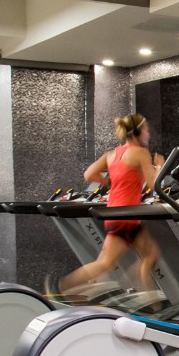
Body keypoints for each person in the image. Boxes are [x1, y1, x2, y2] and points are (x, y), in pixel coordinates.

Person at [60, 113, 162, 302]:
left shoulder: (112, 154)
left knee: (151, 253)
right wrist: (159, 167)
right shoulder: (140, 153)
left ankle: (150, 299)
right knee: (106, 263)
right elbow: (152, 185)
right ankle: (65, 287)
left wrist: (109, 182)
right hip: (126, 216)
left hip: (116, 213)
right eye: (146, 130)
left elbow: (89, 174)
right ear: (137, 132)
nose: (148, 134)